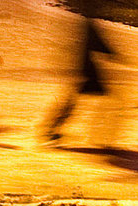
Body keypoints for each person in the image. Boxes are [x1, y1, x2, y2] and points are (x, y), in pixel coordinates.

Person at [40, 16, 124, 149]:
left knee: (72, 102)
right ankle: (100, 136)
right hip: (87, 71)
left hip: (83, 70)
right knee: (106, 102)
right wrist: (114, 55)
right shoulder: (89, 24)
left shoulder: (84, 23)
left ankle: (50, 131)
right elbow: (98, 43)